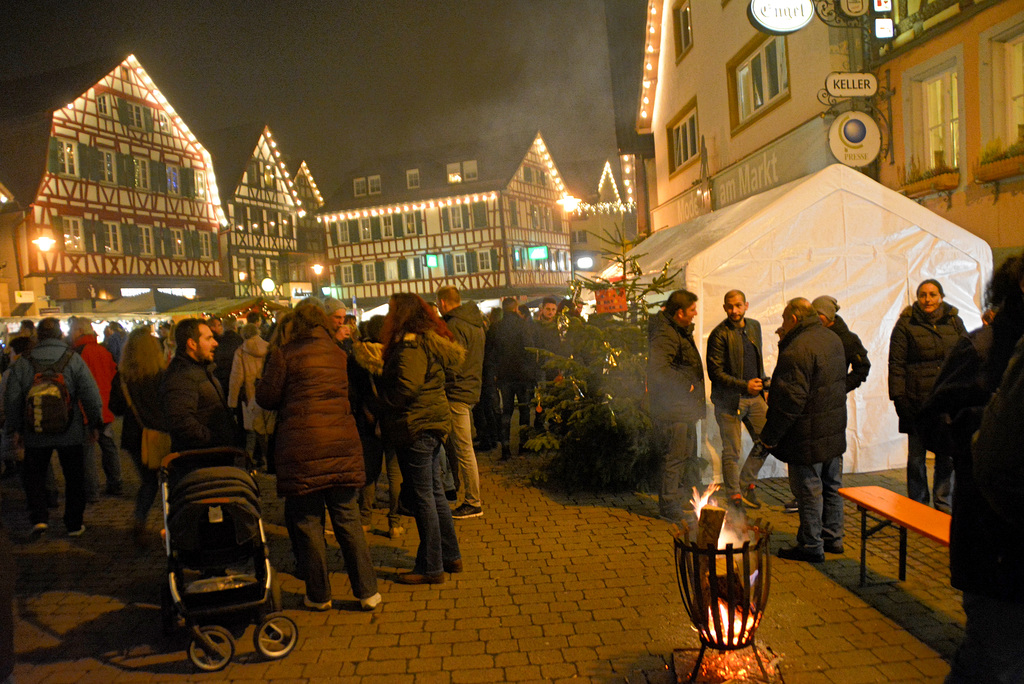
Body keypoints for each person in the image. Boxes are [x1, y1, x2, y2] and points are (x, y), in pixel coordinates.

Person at [913, 254, 1024, 683]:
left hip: (999, 543)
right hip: (994, 544)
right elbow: (935, 419)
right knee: (993, 664)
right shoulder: (984, 347)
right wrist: (982, 431)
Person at [256, 302, 380, 611]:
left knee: (308, 522)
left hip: (301, 448)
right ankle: (367, 592)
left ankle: (319, 595)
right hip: (340, 443)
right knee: (348, 518)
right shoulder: (339, 353)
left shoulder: (284, 354)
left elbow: (268, 398)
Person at [378, 293, 464, 584]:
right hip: (431, 422)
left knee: (423, 496)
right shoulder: (428, 339)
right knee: (435, 493)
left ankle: (430, 566)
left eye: (391, 311)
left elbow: (407, 386)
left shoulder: (411, 344)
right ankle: (450, 556)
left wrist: (384, 402)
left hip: (416, 425)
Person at [759, 298, 847, 563]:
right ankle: (833, 538)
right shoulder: (832, 338)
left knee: (809, 491)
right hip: (833, 428)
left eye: (784, 320)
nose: (782, 325)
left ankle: (811, 545)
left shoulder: (797, 349)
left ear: (794, 319)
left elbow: (790, 400)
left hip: (807, 434)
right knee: (832, 487)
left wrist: (770, 437)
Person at [4, 317, 104, 538]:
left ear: (37, 336)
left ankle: (39, 518)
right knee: (74, 477)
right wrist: (95, 423)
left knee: (35, 476)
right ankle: (73, 523)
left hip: (35, 429)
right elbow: (90, 393)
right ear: (61, 335)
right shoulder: (73, 359)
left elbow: (12, 398)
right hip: (70, 429)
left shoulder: (23, 361)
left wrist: (15, 429)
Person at [888, 279, 967, 513]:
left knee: (946, 456)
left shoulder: (954, 321)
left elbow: (964, 356)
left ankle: (943, 503)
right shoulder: (905, 325)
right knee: (916, 459)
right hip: (916, 402)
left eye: (933, 294)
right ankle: (918, 504)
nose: (928, 299)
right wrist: (899, 398)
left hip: (945, 402)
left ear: (941, 297)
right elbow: (896, 364)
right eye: (923, 295)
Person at [706, 290, 768, 509]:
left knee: (768, 440)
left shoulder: (754, 327)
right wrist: (745, 385)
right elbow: (715, 373)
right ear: (724, 308)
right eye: (730, 306)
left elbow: (756, 359)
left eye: (738, 306)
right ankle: (734, 497)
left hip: (755, 397)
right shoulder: (719, 334)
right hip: (730, 400)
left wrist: (763, 384)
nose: (734, 310)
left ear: (746, 305)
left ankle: (745, 484)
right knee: (732, 451)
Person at [647, 289, 706, 521]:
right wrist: (687, 385)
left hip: (682, 408)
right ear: (680, 312)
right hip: (672, 409)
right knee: (674, 455)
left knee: (682, 454)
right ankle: (669, 505)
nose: (696, 313)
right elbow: (659, 370)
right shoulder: (666, 334)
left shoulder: (676, 329)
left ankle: (676, 497)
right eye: (692, 310)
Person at [108, 326, 167, 546]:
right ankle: (174, 522)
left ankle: (140, 519)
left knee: (148, 482)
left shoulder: (122, 377)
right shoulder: (162, 375)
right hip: (162, 434)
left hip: (135, 436)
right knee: (170, 481)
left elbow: (116, 408)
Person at [351, 316, 404, 538]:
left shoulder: (358, 355)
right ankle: (394, 523)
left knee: (370, 472)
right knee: (395, 475)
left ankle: (364, 519)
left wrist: (365, 410)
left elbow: (353, 390)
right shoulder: (396, 353)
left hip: (369, 419)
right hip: (393, 418)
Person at [436, 286, 486, 519]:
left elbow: (452, 363)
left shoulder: (454, 325)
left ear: (443, 303)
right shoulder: (476, 323)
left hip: (457, 392)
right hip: (471, 388)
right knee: (461, 446)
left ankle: (473, 501)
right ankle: (454, 490)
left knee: (464, 449)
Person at [160, 318, 242, 452]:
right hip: (202, 459)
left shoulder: (201, 369)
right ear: (192, 343)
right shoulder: (182, 375)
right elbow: (181, 422)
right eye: (208, 339)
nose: (215, 343)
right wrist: (215, 440)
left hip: (213, 456)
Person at [70, 316, 122, 499]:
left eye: (71, 330)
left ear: (78, 331)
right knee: (109, 447)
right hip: (105, 408)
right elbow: (114, 375)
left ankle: (91, 491)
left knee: (88, 453)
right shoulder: (103, 351)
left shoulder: (76, 354)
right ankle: (115, 483)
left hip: (85, 411)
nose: (69, 334)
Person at [490, 297, 536, 459]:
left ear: (503, 309)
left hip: (504, 376)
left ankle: (506, 448)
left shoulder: (496, 327)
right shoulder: (523, 325)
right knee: (524, 410)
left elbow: (491, 353)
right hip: (522, 375)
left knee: (507, 411)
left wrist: (494, 373)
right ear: (516, 309)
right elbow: (529, 348)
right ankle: (523, 445)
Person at [227, 323, 272, 468]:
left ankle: (255, 459)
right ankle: (268, 460)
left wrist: (232, 402)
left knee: (254, 429)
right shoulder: (269, 347)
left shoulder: (241, 351)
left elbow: (236, 377)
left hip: (251, 394)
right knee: (268, 427)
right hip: (267, 391)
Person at [811, 296, 870, 393]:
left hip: (834, 403)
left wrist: (841, 388)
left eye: (819, 313)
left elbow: (862, 368)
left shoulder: (847, 339)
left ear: (829, 315)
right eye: (813, 314)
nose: (816, 317)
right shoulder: (810, 336)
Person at [209, 316, 243, 402]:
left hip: (221, 375)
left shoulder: (220, 340)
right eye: (219, 325)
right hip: (233, 373)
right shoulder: (239, 340)